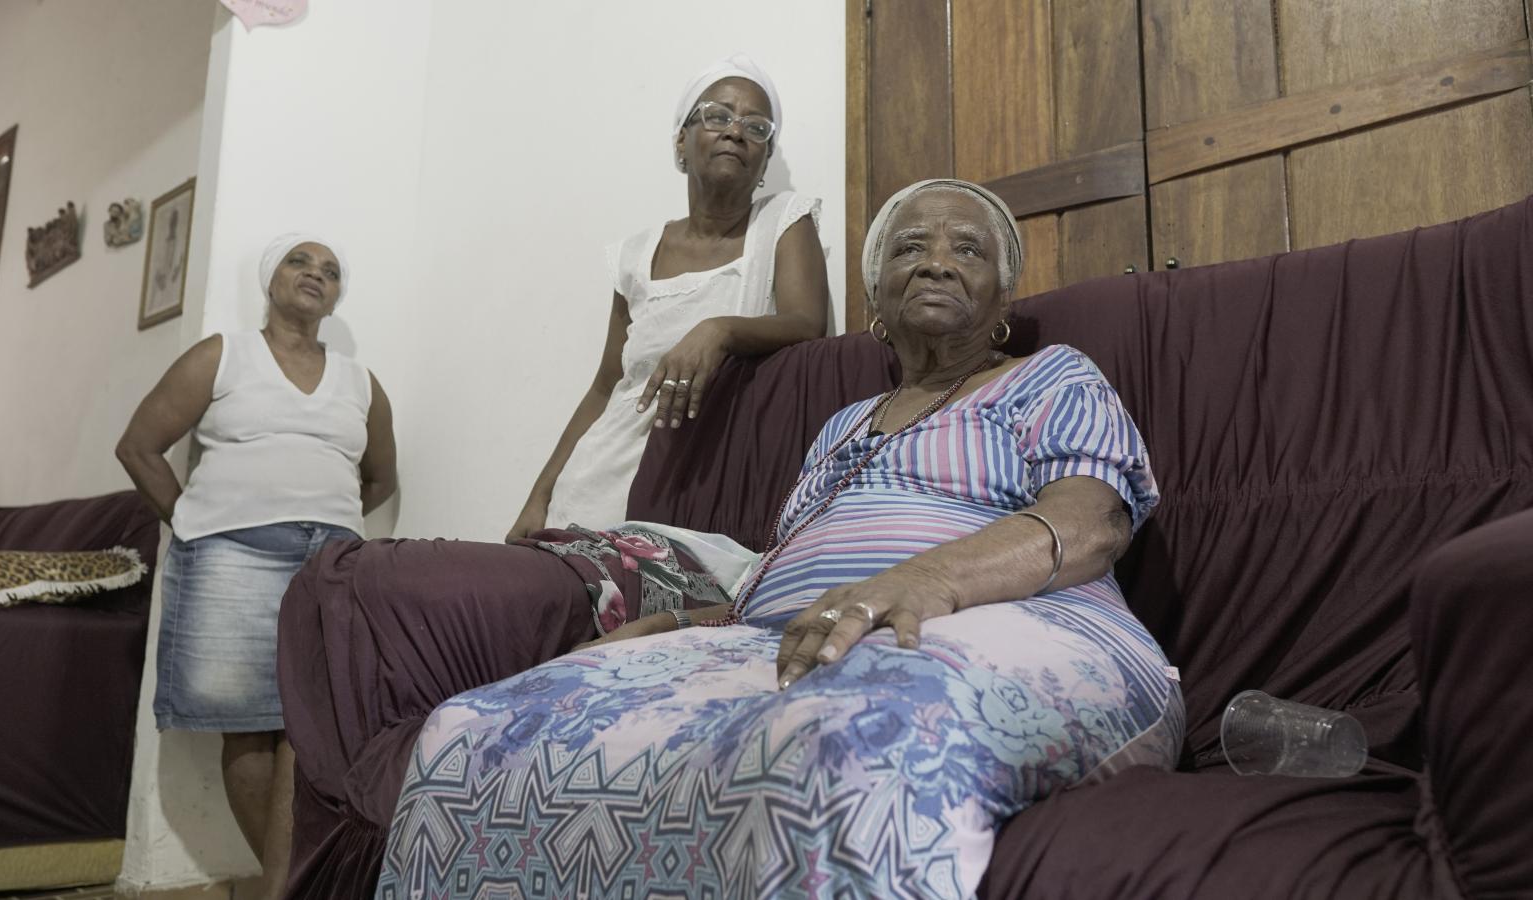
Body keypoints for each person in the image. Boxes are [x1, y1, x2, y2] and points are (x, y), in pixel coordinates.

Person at [376, 180, 1183, 898]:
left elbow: (1091, 521)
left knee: (845, 742)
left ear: (1005, 300)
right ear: (876, 301)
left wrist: (923, 582)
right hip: (790, 636)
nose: (936, 262)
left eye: (966, 249)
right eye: (910, 247)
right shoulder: (839, 428)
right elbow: (785, 568)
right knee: (471, 732)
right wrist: (696, 624)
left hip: (1001, 617)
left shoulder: (1051, 376)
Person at [116, 234, 397, 899]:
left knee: (312, 727)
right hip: (230, 557)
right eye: (300, 261)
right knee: (245, 722)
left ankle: (290, 885)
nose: (315, 274)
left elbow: (381, 478)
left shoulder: (361, 382)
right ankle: (287, 888)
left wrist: (317, 512)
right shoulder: (224, 354)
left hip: (329, 567)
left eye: (331, 270)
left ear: (336, 297)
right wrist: (194, 521)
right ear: (271, 278)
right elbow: (138, 447)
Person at [506, 54, 829, 540]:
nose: (735, 132)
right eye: (717, 116)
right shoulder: (635, 255)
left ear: (764, 159)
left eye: (756, 127)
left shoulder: (783, 222)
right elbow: (605, 386)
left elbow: (808, 324)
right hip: (601, 481)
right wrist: (539, 496)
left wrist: (718, 330)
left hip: (706, 483)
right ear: (682, 140)